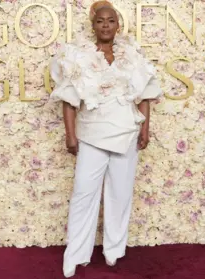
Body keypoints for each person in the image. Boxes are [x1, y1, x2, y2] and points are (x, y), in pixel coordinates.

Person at [49, 1, 162, 277]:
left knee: (120, 194)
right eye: (100, 21)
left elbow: (145, 95)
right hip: (91, 133)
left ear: (117, 25)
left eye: (111, 21)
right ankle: (75, 255)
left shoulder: (132, 54)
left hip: (126, 131)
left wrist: (145, 129)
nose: (106, 25)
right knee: (83, 194)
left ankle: (113, 250)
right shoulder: (77, 55)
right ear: (93, 25)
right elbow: (68, 101)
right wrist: (70, 135)